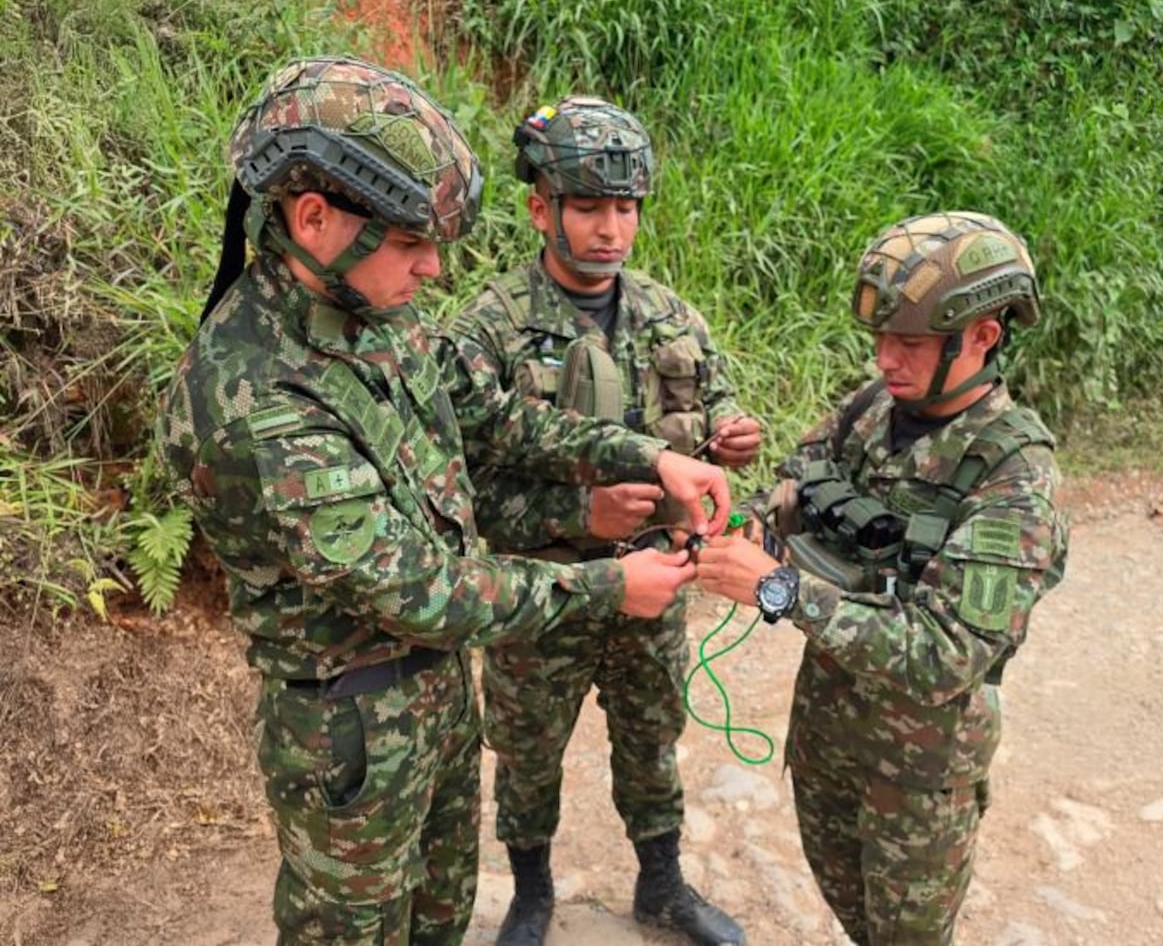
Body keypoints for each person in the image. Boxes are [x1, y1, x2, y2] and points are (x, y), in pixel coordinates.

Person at [157, 57, 732, 946]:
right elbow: (419, 588)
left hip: (438, 699)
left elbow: (488, 415)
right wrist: (608, 588)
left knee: (441, 920)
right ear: (314, 218)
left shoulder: (370, 309)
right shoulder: (254, 399)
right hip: (350, 737)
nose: (432, 270)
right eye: (411, 243)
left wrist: (648, 455)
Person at [696, 211, 1069, 945]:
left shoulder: (1014, 478)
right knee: (850, 910)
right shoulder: (872, 411)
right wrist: (747, 525)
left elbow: (948, 652)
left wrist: (779, 590)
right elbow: (801, 491)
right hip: (828, 734)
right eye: (880, 340)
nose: (886, 359)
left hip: (917, 778)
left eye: (909, 342)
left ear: (983, 337)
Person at [448, 96, 760, 946]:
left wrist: (733, 439)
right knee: (527, 749)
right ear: (540, 208)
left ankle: (662, 886)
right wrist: (574, 508)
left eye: (625, 208)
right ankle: (532, 895)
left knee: (652, 737)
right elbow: (464, 492)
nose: (610, 228)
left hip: (654, 584)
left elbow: (712, 410)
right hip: (543, 591)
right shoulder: (489, 328)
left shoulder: (669, 315)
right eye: (588, 207)